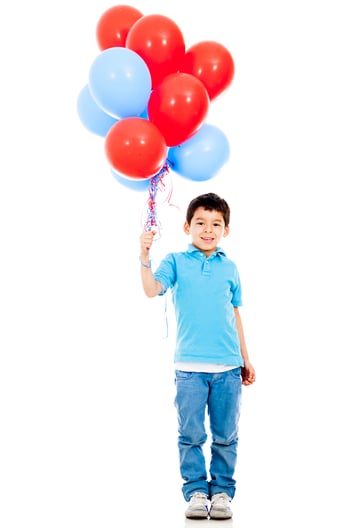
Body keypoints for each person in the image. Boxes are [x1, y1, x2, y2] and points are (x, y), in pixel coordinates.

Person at [139, 192, 256, 520]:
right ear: (187, 226)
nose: (208, 229)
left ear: (226, 230)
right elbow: (151, 289)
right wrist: (144, 255)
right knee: (190, 434)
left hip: (228, 367)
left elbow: (235, 314)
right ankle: (194, 491)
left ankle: (221, 492)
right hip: (189, 366)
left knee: (225, 434)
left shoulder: (230, 268)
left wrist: (246, 358)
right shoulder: (176, 261)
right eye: (201, 223)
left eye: (216, 224)